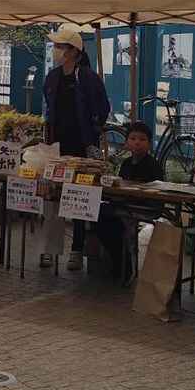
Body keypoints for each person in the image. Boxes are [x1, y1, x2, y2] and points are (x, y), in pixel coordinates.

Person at [40, 23, 110, 271]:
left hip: (81, 148)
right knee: (51, 198)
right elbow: (48, 108)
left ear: (73, 51)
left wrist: (93, 129)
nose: (55, 50)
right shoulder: (52, 76)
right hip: (55, 148)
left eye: (60, 46)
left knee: (79, 199)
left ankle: (77, 250)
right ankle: (49, 250)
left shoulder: (89, 78)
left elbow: (103, 108)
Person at [109, 122, 163, 282]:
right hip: (125, 205)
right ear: (126, 142)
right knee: (101, 218)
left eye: (142, 139)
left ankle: (125, 269)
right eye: (132, 138)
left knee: (114, 222)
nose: (137, 142)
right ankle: (120, 265)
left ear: (149, 143)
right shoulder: (125, 163)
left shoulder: (153, 165)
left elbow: (159, 190)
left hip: (145, 207)